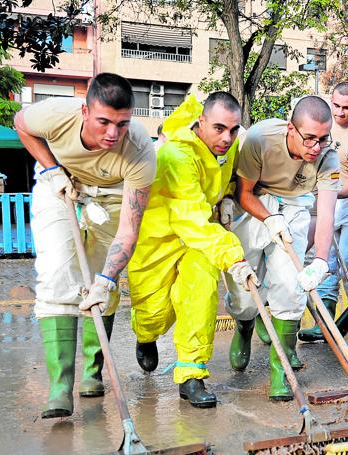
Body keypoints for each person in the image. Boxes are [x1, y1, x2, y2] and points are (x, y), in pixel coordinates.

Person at [14, 73, 156, 418]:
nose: (112, 133)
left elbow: (129, 227)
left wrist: (108, 279)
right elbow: (21, 123)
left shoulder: (139, 150)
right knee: (56, 274)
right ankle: (60, 386)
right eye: (104, 121)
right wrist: (51, 170)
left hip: (111, 198)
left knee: (98, 283)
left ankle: (93, 372)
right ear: (84, 111)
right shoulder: (56, 114)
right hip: (59, 185)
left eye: (122, 124)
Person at [127, 92, 257, 409]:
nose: (227, 138)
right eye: (219, 128)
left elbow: (221, 183)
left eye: (234, 129)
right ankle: (145, 334)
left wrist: (227, 198)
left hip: (201, 234)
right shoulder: (176, 156)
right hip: (161, 235)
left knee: (200, 291)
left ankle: (191, 374)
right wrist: (234, 257)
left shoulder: (229, 146)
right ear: (201, 122)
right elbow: (190, 219)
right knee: (155, 311)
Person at [225, 96, 340, 401]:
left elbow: (327, 212)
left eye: (323, 138)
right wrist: (268, 217)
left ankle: (281, 368)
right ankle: (245, 325)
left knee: (291, 288)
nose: (316, 147)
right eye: (309, 138)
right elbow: (244, 192)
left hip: (295, 208)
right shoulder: (260, 138)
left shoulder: (329, 157)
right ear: (291, 128)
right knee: (243, 287)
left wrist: (320, 261)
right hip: (252, 207)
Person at [299, 82, 348, 340]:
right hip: (326, 192)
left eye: (346, 108)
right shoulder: (323, 124)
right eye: (336, 106)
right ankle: (324, 320)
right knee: (326, 260)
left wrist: (321, 193)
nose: (340, 112)